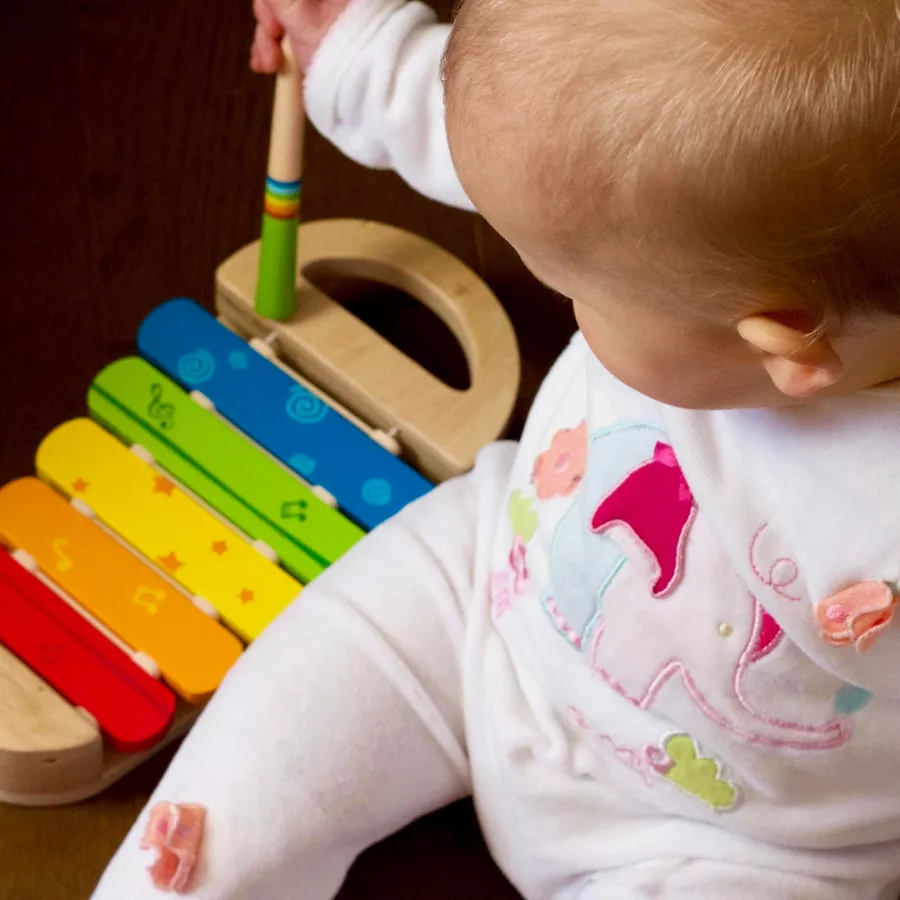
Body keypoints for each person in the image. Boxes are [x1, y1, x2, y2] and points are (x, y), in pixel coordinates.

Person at [91, 0, 900, 896]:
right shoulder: (685, 201)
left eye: (578, 291)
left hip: (746, 845)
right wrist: (361, 53)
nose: (566, 304)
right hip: (487, 597)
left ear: (782, 350)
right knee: (246, 779)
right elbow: (558, 142)